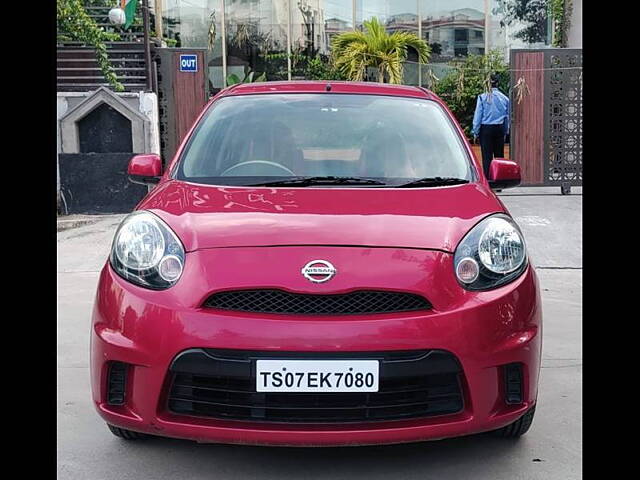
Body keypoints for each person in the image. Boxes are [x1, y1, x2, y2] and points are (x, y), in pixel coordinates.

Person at [472, 74, 510, 178]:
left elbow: (478, 116)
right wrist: (506, 131)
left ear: (487, 84)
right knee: (499, 156)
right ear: (498, 83)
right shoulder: (505, 99)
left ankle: (488, 181)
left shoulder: (482, 97)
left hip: (486, 129)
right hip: (499, 128)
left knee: (487, 157)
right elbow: (507, 117)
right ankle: (499, 180)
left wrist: (475, 132)